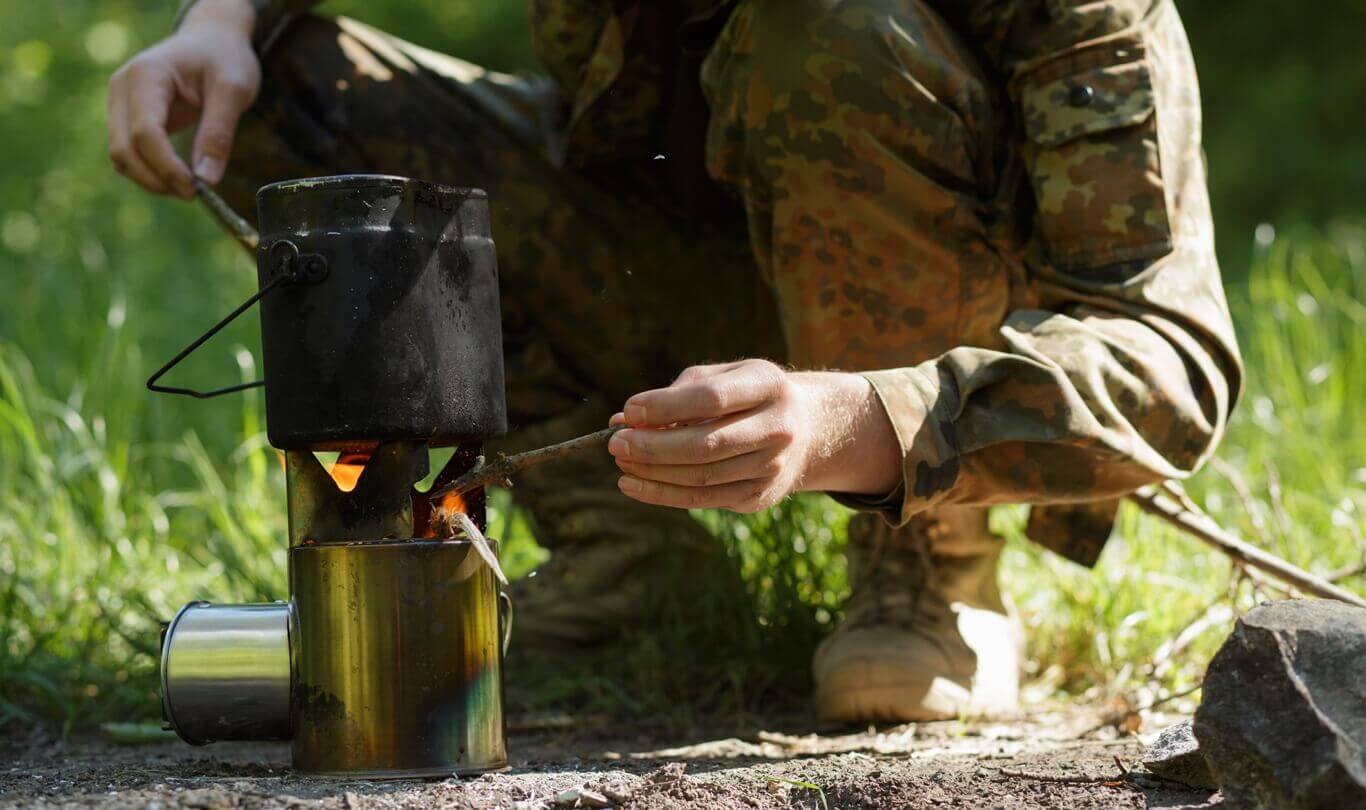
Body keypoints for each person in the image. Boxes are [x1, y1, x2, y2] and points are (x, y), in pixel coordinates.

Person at [107, 0, 1241, 724]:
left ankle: (924, 563)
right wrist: (219, 21)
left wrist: (862, 420)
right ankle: (617, 547)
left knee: (832, 34)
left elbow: (1171, 358)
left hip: (919, 343)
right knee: (284, 77)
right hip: (662, 258)